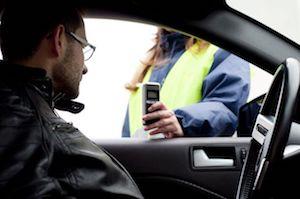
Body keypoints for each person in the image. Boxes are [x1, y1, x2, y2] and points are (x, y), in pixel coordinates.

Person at [0, 2, 143, 199]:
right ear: (58, 39)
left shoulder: (20, 109)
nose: (85, 68)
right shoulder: (27, 123)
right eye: (83, 47)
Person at [122, 28, 250, 138]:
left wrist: (183, 122)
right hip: (141, 164)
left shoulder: (221, 50)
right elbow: (128, 135)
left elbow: (225, 108)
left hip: (182, 163)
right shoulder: (147, 66)